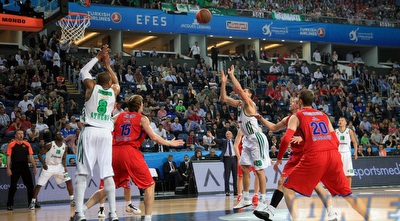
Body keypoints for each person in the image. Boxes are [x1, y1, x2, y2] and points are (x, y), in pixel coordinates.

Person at [79, 95, 184, 221]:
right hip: (130, 151)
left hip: (114, 153)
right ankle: (148, 218)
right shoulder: (143, 119)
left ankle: (81, 211)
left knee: (107, 188)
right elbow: (154, 137)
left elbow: (104, 127)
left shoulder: (118, 116)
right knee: (149, 185)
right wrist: (169, 143)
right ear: (140, 105)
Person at [276, 89, 368, 221]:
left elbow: (285, 140)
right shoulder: (323, 115)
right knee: (348, 194)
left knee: (286, 187)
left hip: (315, 155)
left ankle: (296, 219)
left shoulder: (297, 116)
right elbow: (335, 140)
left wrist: (279, 158)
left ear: (300, 102)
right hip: (333, 154)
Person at [252, 97, 338, 220]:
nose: (290, 103)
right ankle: (270, 211)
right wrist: (261, 119)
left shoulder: (306, 117)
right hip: (295, 156)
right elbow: (274, 128)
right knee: (282, 181)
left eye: (293, 102)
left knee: (316, 185)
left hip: (308, 154)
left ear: (299, 104)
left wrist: (303, 138)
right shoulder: (289, 119)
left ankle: (331, 212)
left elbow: (319, 134)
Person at [74, 45, 121, 221]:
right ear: (108, 83)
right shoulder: (113, 92)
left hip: (90, 131)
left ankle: (79, 212)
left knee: (82, 173)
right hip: (105, 134)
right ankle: (113, 214)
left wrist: (98, 56)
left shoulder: (91, 87)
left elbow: (83, 70)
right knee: (107, 173)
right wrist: (108, 65)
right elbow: (116, 83)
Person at [220, 65, 271, 216]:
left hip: (257, 139)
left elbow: (240, 91)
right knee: (244, 168)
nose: (243, 94)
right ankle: (246, 198)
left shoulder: (250, 104)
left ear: (250, 96)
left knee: (259, 171)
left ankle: (262, 200)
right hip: (248, 140)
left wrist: (232, 75)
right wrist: (223, 82)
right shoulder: (240, 104)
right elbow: (223, 98)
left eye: (246, 92)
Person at [29, 132, 75, 218]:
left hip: (59, 166)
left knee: (68, 180)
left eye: (61, 135)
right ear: (55, 136)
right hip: (48, 166)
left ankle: (72, 200)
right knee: (39, 185)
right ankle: (32, 202)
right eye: (58, 134)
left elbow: (64, 158)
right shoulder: (50, 145)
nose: (61, 135)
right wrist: (43, 164)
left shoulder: (64, 146)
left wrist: (64, 167)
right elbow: (39, 154)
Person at [6, 129, 37, 210]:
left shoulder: (27, 144)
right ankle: (10, 204)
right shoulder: (11, 144)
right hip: (15, 166)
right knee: (13, 186)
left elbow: (30, 156)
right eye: (19, 133)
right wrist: (8, 168)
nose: (21, 135)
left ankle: (31, 203)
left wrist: (34, 166)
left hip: (25, 166)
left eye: (22, 133)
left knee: (30, 185)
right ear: (16, 135)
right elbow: (8, 156)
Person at [335, 117, 358, 187]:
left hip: (347, 153)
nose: (340, 122)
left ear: (345, 123)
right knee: (338, 172)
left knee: (349, 173)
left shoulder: (349, 131)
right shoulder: (335, 131)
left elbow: (354, 142)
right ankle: (339, 188)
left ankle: (349, 189)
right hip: (338, 153)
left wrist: (355, 152)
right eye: (339, 120)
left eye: (342, 120)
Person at [215, 131, 237, 196]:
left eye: (229, 134)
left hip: (234, 158)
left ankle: (236, 190)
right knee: (227, 176)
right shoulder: (224, 141)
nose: (228, 135)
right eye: (227, 134)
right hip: (227, 159)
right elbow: (218, 141)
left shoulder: (235, 141)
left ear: (232, 135)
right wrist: (212, 137)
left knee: (235, 176)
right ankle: (227, 191)